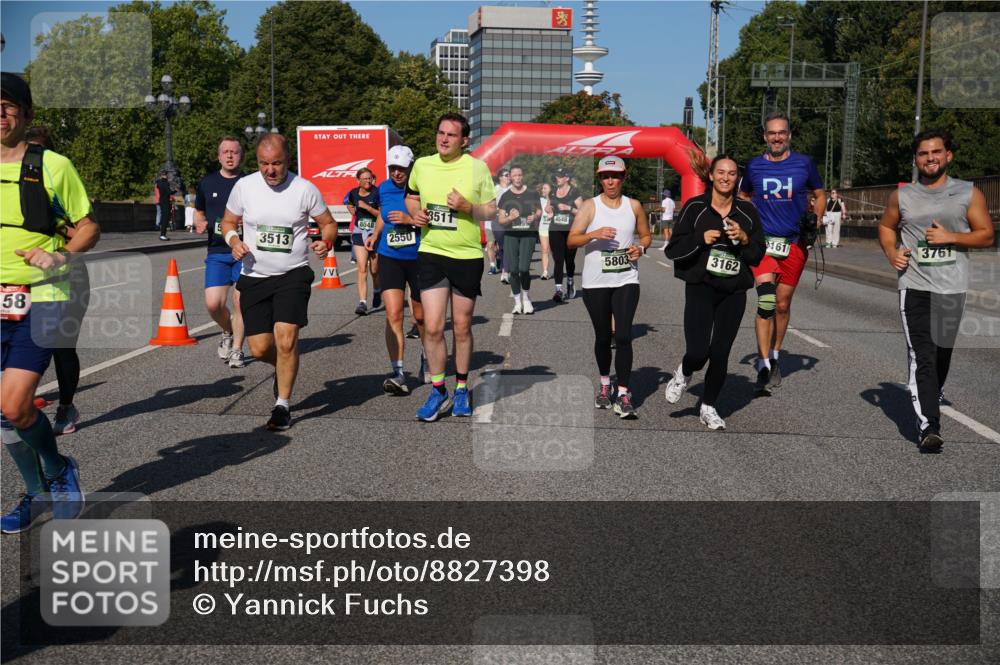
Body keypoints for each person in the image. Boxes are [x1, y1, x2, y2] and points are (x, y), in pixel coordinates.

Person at [2, 72, 99, 532]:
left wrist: (59, 255)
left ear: (26, 114)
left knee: (15, 403)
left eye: (8, 106)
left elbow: (89, 227)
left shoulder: (53, 166)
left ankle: (59, 470)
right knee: (6, 415)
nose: (0, 115)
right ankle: (36, 492)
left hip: (43, 296)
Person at [878, 129, 994, 453]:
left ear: (948, 156)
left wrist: (951, 237)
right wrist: (892, 252)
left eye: (936, 152)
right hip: (914, 285)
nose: (930, 158)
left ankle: (931, 392)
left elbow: (986, 235)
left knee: (942, 352)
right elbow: (886, 226)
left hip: (952, 286)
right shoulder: (903, 196)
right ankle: (929, 426)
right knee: (923, 355)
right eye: (923, 153)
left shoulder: (968, 193)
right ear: (916, 159)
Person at [220, 133, 336, 430]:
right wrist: (233, 241)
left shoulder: (304, 189)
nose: (270, 170)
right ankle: (284, 366)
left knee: (286, 340)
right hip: (254, 277)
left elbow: (328, 223)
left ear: (288, 160)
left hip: (292, 275)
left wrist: (325, 242)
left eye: (276, 163)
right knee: (260, 349)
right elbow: (228, 222)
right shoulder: (244, 186)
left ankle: (282, 406)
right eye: (264, 164)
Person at [405, 112, 496, 422]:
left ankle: (460, 388)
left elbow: (491, 210)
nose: (443, 139)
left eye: (451, 135)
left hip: (466, 256)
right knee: (432, 327)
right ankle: (438, 389)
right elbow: (412, 196)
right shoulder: (422, 165)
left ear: (464, 140)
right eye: (441, 133)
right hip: (431, 252)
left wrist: (468, 207)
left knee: (461, 326)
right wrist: (415, 214)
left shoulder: (477, 168)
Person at [663, 155, 766, 430]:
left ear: (737, 178)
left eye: (731, 173)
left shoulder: (747, 212)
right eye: (721, 172)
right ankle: (684, 372)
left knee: (720, 353)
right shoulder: (695, 207)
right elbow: (673, 250)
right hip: (701, 288)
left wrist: (744, 239)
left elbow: (758, 254)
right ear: (711, 175)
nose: (725, 178)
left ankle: (708, 406)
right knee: (698, 352)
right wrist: (700, 238)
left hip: (733, 291)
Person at [739, 111, 824, 396]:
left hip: (794, 243)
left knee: (783, 305)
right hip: (763, 244)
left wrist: (816, 219)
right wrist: (748, 223)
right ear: (765, 136)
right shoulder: (754, 166)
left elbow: (820, 194)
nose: (777, 137)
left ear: (789, 135)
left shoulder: (804, 163)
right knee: (767, 300)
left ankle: (774, 355)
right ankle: (763, 363)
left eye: (782, 133)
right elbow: (743, 196)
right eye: (772, 133)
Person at [568, 156, 651, 419]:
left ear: (623, 178)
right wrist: (593, 234)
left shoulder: (633, 206)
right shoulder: (589, 207)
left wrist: (641, 248)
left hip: (626, 279)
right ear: (600, 179)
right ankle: (605, 385)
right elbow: (571, 240)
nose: (610, 181)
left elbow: (645, 235)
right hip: (595, 282)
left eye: (615, 176)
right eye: (605, 177)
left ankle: (624, 393)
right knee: (603, 336)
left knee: (623, 336)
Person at [25, 126, 89, 436]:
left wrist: (52, 224)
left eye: (37, 152)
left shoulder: (59, 184)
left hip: (68, 275)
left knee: (62, 347)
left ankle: (65, 407)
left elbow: (85, 231)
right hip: (25, 278)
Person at [365, 145, 426, 395]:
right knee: (393, 315)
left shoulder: (421, 188)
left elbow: (433, 219)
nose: (396, 173)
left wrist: (410, 220)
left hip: (419, 256)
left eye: (401, 168)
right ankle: (398, 372)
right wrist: (375, 235)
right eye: (392, 168)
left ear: (410, 167)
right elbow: (383, 214)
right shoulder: (384, 188)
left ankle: (427, 357)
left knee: (421, 317)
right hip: (390, 256)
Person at [194, 136, 247, 368]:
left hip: (245, 251)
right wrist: (199, 222)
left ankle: (237, 350)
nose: (230, 155)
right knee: (213, 304)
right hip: (217, 251)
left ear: (241, 156)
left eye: (234, 152)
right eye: (225, 152)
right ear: (219, 156)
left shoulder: (250, 183)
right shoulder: (207, 183)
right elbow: (198, 210)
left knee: (240, 302)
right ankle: (227, 331)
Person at [496, 166, 542, 315]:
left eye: (519, 175)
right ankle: (517, 302)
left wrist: (535, 217)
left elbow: (539, 210)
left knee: (523, 268)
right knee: (514, 270)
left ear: (523, 176)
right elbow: (501, 220)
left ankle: (526, 298)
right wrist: (510, 217)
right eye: (514, 175)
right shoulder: (506, 196)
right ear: (510, 177)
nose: (517, 178)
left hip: (528, 235)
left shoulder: (532, 193)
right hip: (511, 235)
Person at [347, 168, 381, 315]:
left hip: (374, 233)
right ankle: (362, 302)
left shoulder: (377, 193)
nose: (368, 181)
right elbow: (349, 203)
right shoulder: (353, 193)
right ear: (358, 180)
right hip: (359, 232)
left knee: (374, 269)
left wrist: (367, 207)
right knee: (362, 268)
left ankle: (377, 290)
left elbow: (381, 214)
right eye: (365, 178)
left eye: (370, 178)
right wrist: (352, 210)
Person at [549, 167, 584, 301]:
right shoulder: (553, 192)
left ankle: (570, 280)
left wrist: (568, 208)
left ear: (567, 178)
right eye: (556, 176)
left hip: (571, 230)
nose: (557, 178)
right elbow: (549, 206)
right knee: (558, 259)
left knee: (569, 259)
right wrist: (549, 209)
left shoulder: (574, 192)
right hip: (555, 229)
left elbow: (582, 212)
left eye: (560, 176)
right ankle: (558, 290)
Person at [488, 169, 511, 280]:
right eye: (506, 175)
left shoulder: (513, 189)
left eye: (509, 175)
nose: (508, 177)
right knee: (501, 246)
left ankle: (505, 272)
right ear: (500, 177)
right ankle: (500, 261)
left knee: (507, 246)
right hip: (497, 220)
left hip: (510, 221)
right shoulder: (495, 190)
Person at [537, 182, 553, 279]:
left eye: (545, 188)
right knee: (545, 249)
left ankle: (558, 269)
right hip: (543, 227)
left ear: (551, 190)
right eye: (542, 188)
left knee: (555, 251)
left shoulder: (556, 200)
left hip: (554, 228)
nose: (543, 190)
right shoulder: (540, 200)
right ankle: (545, 272)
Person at [156, 171, 172, 240]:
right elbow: (169, 192)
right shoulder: (165, 183)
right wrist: (176, 190)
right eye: (167, 175)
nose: (168, 176)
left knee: (163, 218)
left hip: (161, 202)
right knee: (165, 218)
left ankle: (162, 234)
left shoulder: (158, 182)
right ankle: (162, 235)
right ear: (165, 175)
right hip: (165, 202)